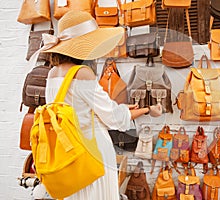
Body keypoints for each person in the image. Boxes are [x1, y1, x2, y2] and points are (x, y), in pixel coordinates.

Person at [38, 10, 162, 200]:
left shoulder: (52, 74)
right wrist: (147, 109)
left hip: (69, 154)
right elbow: (115, 119)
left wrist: (116, 108)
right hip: (92, 153)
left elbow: (72, 112)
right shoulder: (82, 73)